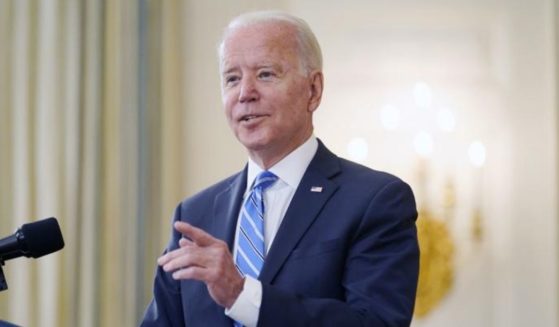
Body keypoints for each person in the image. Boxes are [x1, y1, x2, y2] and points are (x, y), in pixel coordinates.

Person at [141, 10, 419, 327]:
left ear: (313, 90)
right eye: (232, 78)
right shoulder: (193, 215)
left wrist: (242, 296)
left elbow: (376, 323)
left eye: (266, 74)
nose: (245, 93)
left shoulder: (375, 200)